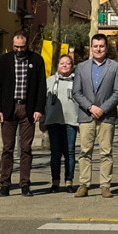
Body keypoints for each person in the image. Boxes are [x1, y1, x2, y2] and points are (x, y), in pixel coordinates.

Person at [0, 31, 46, 197]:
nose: (19, 50)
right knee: (7, 149)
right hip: (9, 109)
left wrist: (39, 109)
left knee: (26, 148)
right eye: (16, 46)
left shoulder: (36, 60)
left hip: (27, 110)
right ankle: (5, 184)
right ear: (12, 45)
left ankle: (25, 184)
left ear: (27, 45)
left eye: (22, 47)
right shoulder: (5, 60)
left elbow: (41, 87)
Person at [72, 33, 118, 198]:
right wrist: (90, 107)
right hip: (86, 116)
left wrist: (102, 108)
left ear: (106, 48)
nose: (98, 49)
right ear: (91, 47)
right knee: (85, 152)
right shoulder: (81, 67)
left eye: (101, 46)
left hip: (106, 116)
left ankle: (105, 185)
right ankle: (84, 184)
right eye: (95, 46)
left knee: (106, 152)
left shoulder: (115, 67)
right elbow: (76, 92)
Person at [42, 54, 80, 192]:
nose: (64, 65)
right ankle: (55, 182)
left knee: (70, 152)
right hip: (53, 122)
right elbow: (43, 103)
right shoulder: (50, 81)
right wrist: (42, 120)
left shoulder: (77, 81)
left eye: (68, 63)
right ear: (57, 65)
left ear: (72, 66)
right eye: (62, 63)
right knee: (55, 153)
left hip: (71, 122)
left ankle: (69, 181)